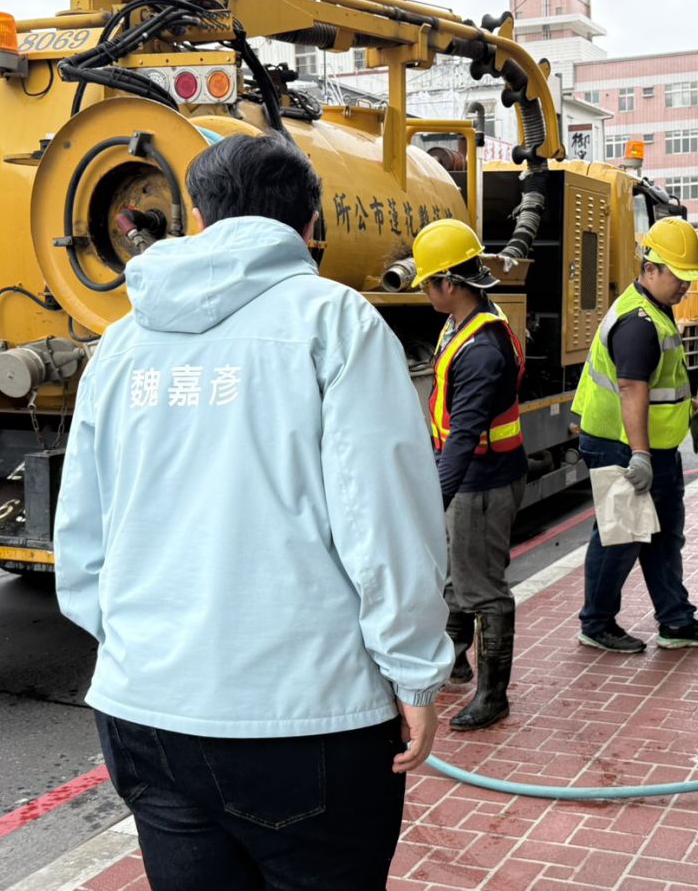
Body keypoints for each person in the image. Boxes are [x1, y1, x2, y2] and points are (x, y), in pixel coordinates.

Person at [54, 133, 452, 891]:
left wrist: (140, 646)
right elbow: (388, 521)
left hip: (144, 712)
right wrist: (414, 676)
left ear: (199, 215)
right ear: (312, 225)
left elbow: (82, 529)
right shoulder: (335, 321)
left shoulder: (122, 342)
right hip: (305, 720)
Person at [571, 216, 698, 654]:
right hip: (621, 446)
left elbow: (662, 382)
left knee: (663, 537)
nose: (685, 286)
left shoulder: (657, 312)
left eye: (689, 278)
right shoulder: (639, 322)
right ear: (651, 269)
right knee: (621, 536)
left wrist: (692, 412)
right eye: (679, 277)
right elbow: (631, 388)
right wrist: (639, 455)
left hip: (652, 448)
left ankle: (675, 622)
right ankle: (596, 623)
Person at [411, 218, 527, 732]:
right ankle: (455, 663)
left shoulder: (480, 350)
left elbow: (464, 435)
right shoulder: (466, 322)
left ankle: (492, 695)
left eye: (428, 282)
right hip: (478, 475)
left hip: (483, 480)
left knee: (483, 589)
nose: (426, 290)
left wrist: (431, 498)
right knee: (459, 577)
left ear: (448, 284)